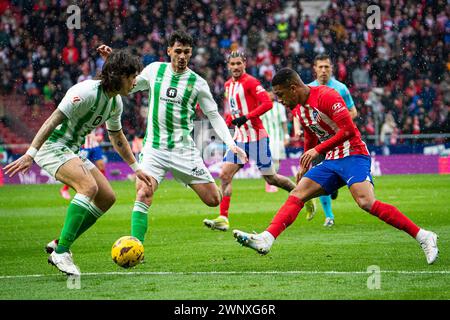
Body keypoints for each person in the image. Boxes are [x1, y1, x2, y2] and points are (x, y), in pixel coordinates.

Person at [233, 68, 439, 265]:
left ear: (293, 88)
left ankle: (424, 236)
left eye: (280, 94)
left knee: (366, 202)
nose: (279, 99)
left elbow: (349, 130)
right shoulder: (297, 109)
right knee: (297, 193)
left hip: (353, 153)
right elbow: (310, 134)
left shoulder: (326, 96)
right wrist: (305, 163)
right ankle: (266, 239)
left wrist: (317, 150)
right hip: (331, 159)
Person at [3, 49, 153, 276]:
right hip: (52, 147)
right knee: (89, 187)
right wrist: (30, 153)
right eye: (132, 77)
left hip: (72, 150)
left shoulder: (115, 103)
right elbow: (52, 119)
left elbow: (117, 137)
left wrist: (136, 168)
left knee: (107, 197)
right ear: (119, 75)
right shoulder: (85, 91)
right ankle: (61, 252)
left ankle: (60, 241)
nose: (135, 82)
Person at [97, 31, 247, 244]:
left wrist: (231, 145)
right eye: (177, 51)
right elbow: (127, 87)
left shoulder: (198, 83)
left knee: (213, 200)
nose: (182, 56)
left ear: (191, 53)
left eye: (186, 52)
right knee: (143, 193)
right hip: (154, 149)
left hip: (183, 151)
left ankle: (188, 181)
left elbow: (214, 115)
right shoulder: (154, 71)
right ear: (169, 51)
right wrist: (114, 65)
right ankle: (135, 245)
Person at [202, 51, 296, 232]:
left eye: (239, 63)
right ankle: (223, 218)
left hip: (257, 137)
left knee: (271, 178)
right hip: (239, 139)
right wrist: (227, 120)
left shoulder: (251, 82)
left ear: (244, 63)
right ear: (228, 66)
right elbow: (232, 111)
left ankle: (300, 193)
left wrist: (247, 117)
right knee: (225, 175)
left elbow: (268, 103)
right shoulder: (228, 85)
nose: (236, 67)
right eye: (233, 64)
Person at [304, 53, 358, 227]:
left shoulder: (341, 88)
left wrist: (337, 125)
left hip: (340, 141)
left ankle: (334, 188)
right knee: (321, 178)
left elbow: (353, 112)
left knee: (335, 177)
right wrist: (300, 129)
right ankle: (329, 216)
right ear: (315, 69)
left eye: (326, 67)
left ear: (331, 69)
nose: (323, 70)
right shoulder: (307, 89)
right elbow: (302, 114)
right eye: (320, 67)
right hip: (320, 142)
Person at [60, 127, 106, 200]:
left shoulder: (99, 123)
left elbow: (100, 135)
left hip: (95, 147)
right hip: (84, 147)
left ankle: (103, 188)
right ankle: (64, 189)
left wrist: (98, 137)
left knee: (101, 166)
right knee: (78, 169)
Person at [260, 90, 290, 192]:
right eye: (268, 94)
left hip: (278, 137)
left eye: (272, 94)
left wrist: (286, 136)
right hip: (267, 138)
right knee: (269, 159)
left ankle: (273, 180)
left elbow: (284, 123)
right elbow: (259, 124)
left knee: (277, 159)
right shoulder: (262, 107)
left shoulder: (280, 107)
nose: (270, 95)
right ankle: (269, 182)